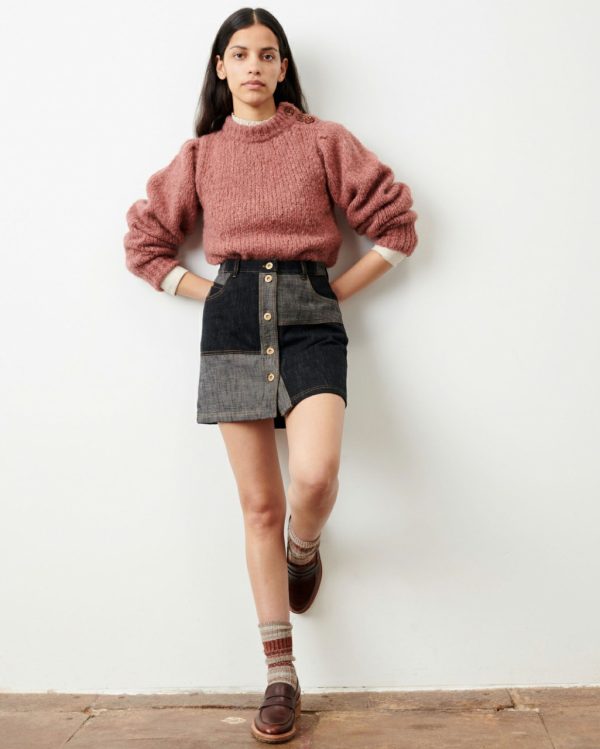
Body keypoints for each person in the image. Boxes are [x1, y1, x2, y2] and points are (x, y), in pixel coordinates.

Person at [123, 7, 418, 743]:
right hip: (231, 327)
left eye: (266, 54)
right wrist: (212, 292)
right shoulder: (200, 157)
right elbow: (145, 244)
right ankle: (280, 675)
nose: (253, 66)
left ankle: (304, 549)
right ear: (220, 68)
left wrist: (328, 292)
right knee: (259, 505)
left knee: (313, 479)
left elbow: (396, 225)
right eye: (239, 54)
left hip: (311, 321)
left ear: (284, 68)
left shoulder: (323, 141)